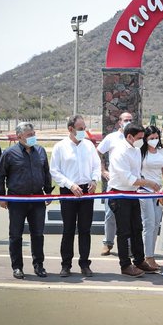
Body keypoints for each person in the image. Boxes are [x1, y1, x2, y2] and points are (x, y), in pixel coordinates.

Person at [0, 122, 53, 279]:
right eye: (29, 135)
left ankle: (39, 265)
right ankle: (17, 267)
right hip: (17, 200)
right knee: (15, 235)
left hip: (37, 199)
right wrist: (1, 196)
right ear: (19, 136)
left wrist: (48, 191)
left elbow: (46, 172)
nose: (33, 137)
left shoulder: (40, 151)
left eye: (34, 134)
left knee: (38, 234)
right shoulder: (9, 153)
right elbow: (0, 175)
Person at [50, 115, 101, 278]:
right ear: (70, 129)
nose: (83, 131)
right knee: (68, 229)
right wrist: (70, 185)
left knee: (85, 229)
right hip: (69, 191)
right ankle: (66, 265)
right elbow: (54, 171)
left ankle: (85, 264)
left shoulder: (89, 146)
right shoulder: (60, 147)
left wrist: (94, 180)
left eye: (84, 128)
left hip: (87, 190)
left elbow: (96, 165)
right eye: (80, 129)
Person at [108, 122, 161, 277]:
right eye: (139, 137)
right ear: (129, 136)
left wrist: (145, 183)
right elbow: (128, 178)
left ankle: (139, 261)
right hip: (119, 194)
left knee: (137, 228)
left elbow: (137, 175)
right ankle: (125, 265)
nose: (142, 140)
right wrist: (149, 183)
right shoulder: (119, 152)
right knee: (124, 231)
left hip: (133, 194)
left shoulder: (136, 150)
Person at [97, 111, 133, 256]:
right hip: (114, 183)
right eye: (125, 120)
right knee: (110, 214)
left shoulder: (134, 138)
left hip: (130, 183)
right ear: (119, 122)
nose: (128, 122)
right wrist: (103, 170)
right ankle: (108, 242)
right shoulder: (112, 138)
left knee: (130, 216)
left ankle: (129, 246)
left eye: (130, 120)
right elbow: (98, 152)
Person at [139, 125, 163, 269]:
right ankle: (147, 257)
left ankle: (151, 255)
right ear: (145, 138)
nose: (154, 140)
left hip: (158, 192)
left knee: (156, 223)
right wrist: (146, 184)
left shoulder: (162, 151)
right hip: (144, 191)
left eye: (156, 138)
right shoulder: (141, 152)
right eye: (151, 138)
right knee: (149, 223)